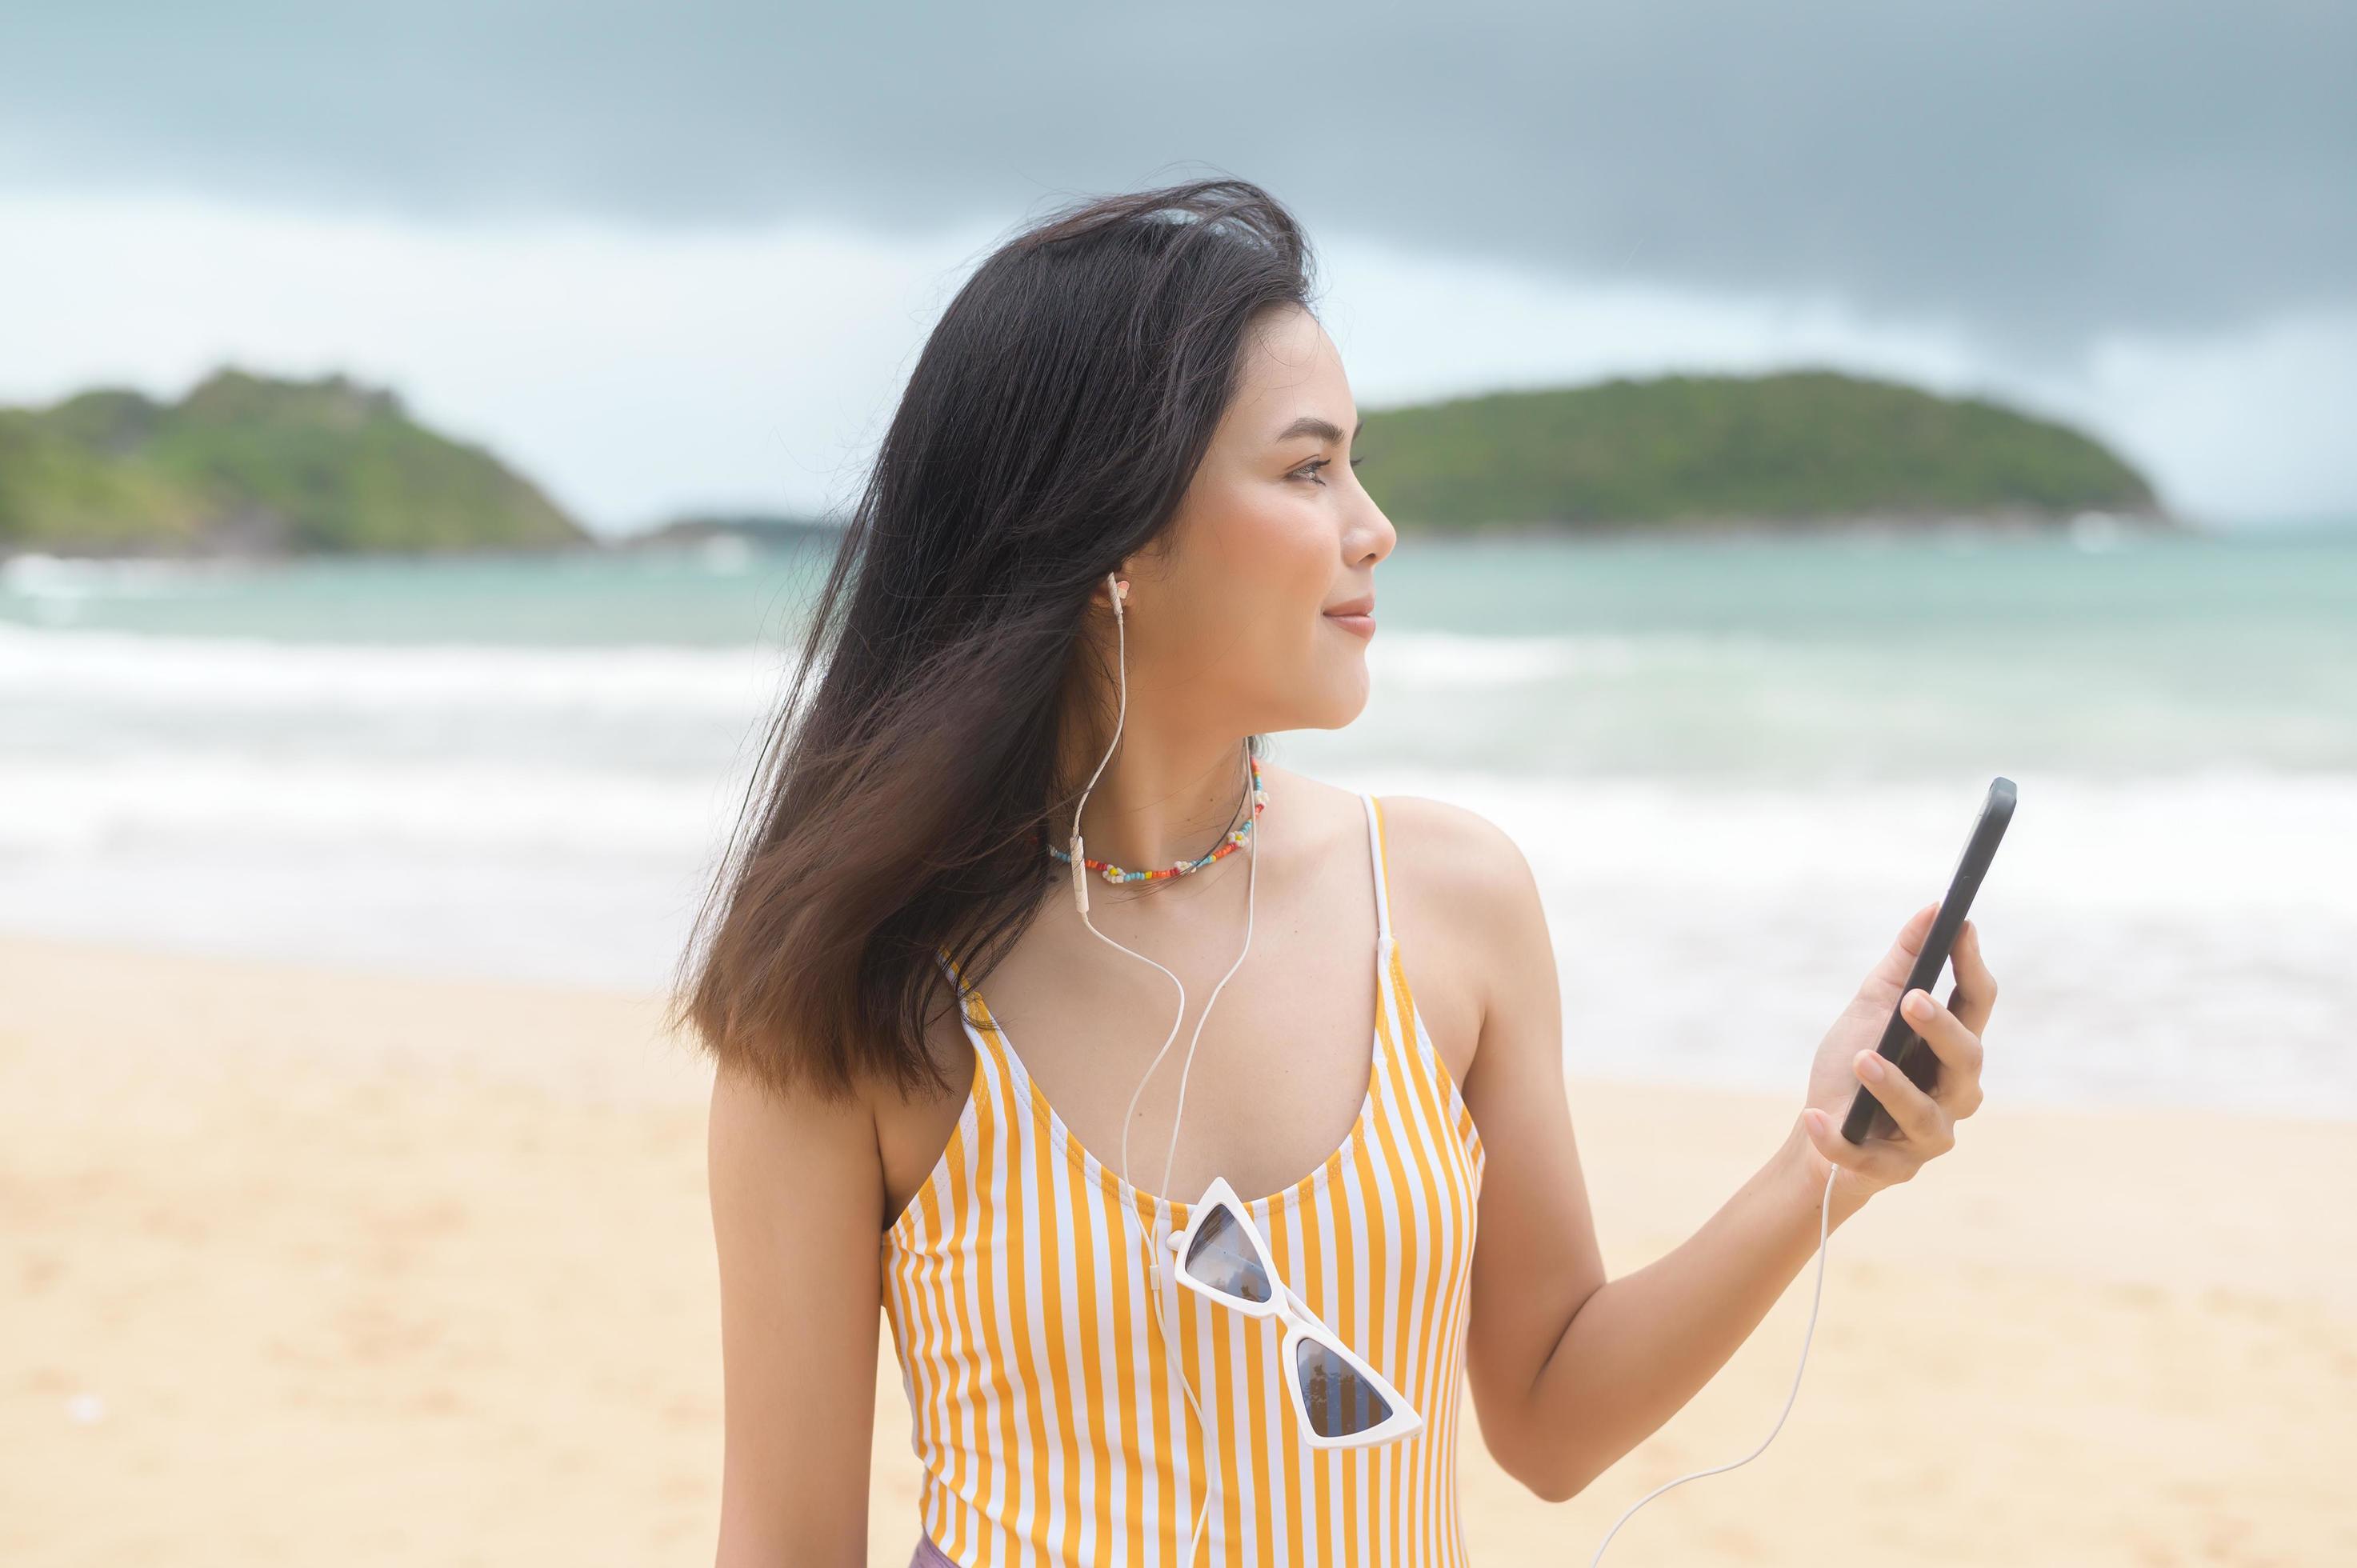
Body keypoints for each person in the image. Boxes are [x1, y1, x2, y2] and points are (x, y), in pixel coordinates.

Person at [680, 178, 1997, 1567]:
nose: (1372, 527)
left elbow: (1549, 1416)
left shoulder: (1449, 903)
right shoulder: (855, 998)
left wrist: (1824, 1166)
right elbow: (783, 1543)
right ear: (1115, 534)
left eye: (1353, 465)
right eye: (1308, 470)